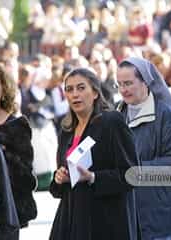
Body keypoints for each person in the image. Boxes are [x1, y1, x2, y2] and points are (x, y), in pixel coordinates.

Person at [49, 68, 138, 240]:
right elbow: (62, 184)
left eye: (81, 88)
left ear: (95, 93)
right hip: (71, 219)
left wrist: (93, 177)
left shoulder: (111, 122)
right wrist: (60, 177)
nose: (75, 94)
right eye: (69, 89)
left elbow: (132, 174)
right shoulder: (66, 130)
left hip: (105, 222)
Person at [117, 57, 171, 240]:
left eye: (128, 83)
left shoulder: (167, 116)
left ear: (145, 83)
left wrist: (136, 170)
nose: (123, 90)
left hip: (160, 216)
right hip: (126, 217)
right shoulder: (117, 116)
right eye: (119, 84)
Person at [0, 63, 37, 240]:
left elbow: (26, 176)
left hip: (5, 217)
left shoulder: (17, 126)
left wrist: (3, 156)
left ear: (4, 88)